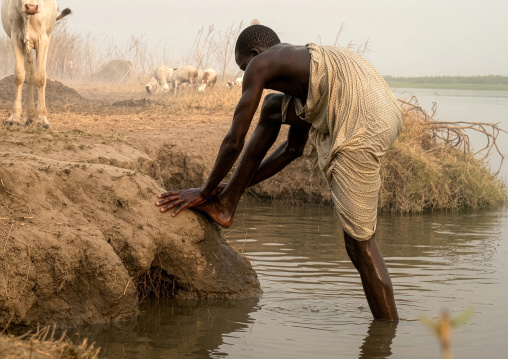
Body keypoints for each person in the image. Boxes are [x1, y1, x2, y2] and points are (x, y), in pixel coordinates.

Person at [156, 25, 402, 321]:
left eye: (244, 67)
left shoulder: (262, 63)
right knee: (272, 108)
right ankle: (226, 204)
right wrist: (229, 186)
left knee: (360, 244)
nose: (248, 75)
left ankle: (386, 334)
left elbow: (234, 140)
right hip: (380, 105)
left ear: (256, 54)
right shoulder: (301, 64)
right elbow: (291, 150)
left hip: (363, 120)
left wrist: (204, 190)